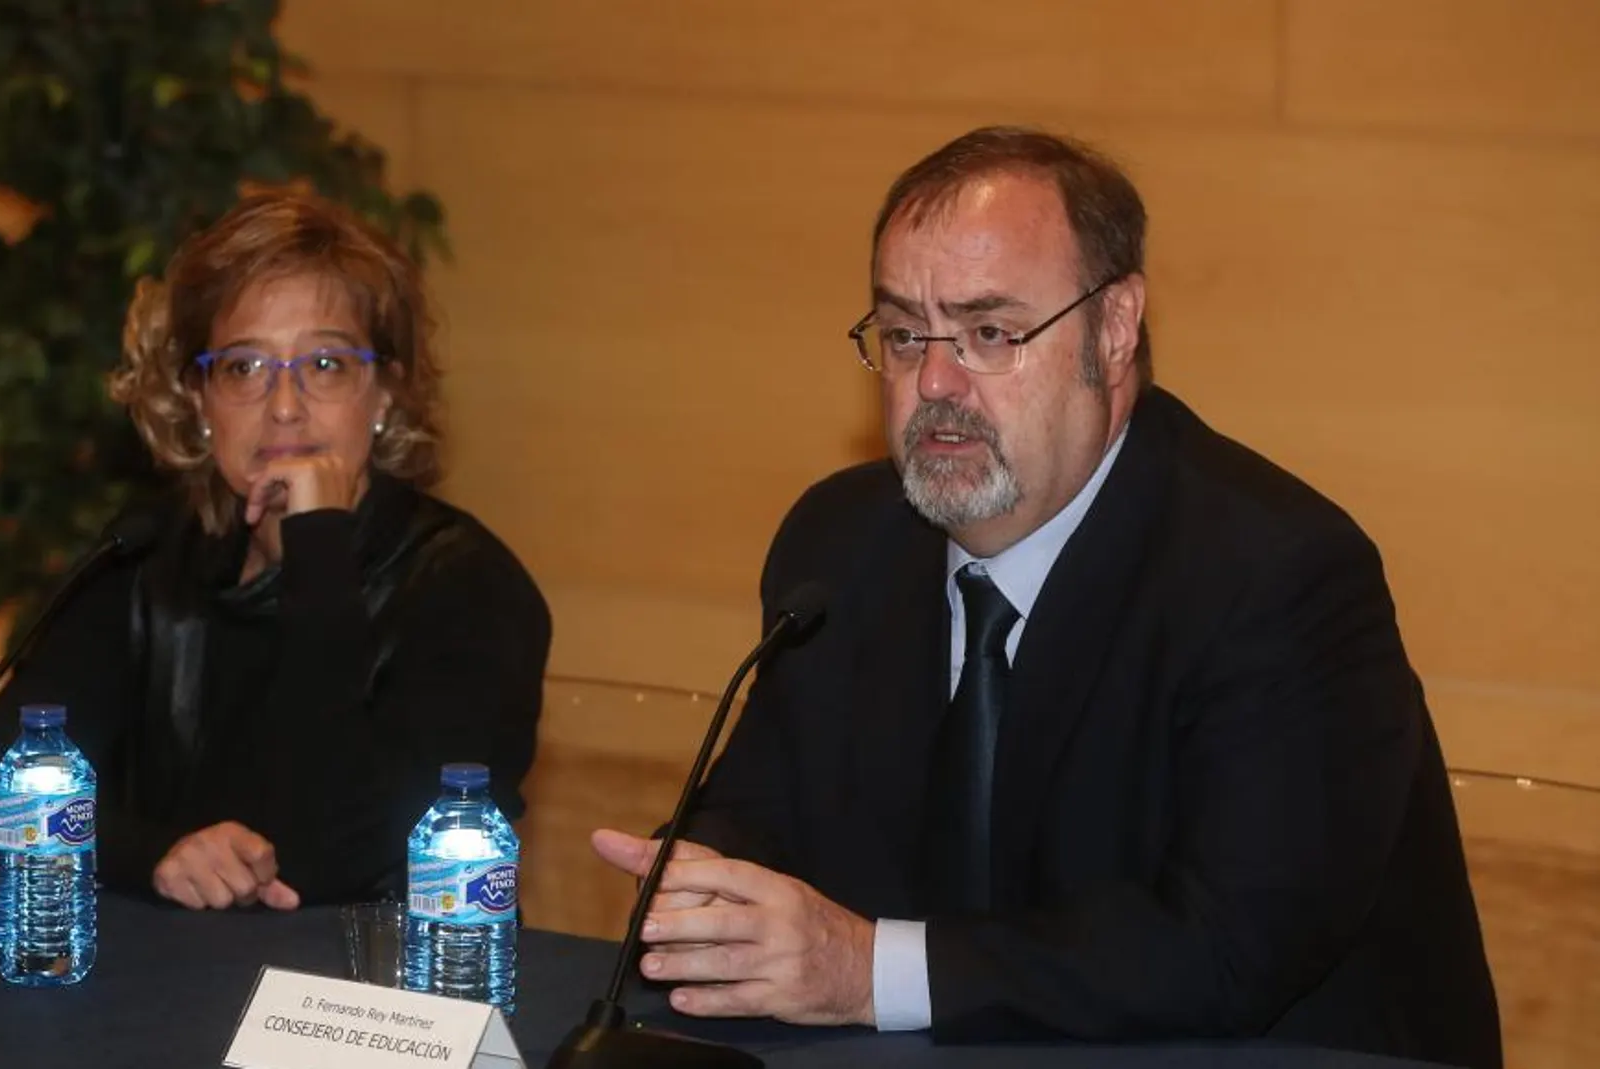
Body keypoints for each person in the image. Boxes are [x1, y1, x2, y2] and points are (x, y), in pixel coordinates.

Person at [592, 127, 1501, 1068]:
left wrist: (867, 969)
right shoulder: (842, 542)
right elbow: (762, 804)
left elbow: (1228, 946)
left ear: (1114, 330)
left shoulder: (1277, 572)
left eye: (990, 333)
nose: (935, 383)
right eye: (905, 333)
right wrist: (703, 886)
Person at [0, 193, 551, 912]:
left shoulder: (466, 585)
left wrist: (320, 548)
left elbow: (329, 856)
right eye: (244, 368)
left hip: (368, 1000)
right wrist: (153, 855)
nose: (284, 405)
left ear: (385, 391)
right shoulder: (143, 558)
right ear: (198, 399)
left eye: (325, 362)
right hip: (157, 989)